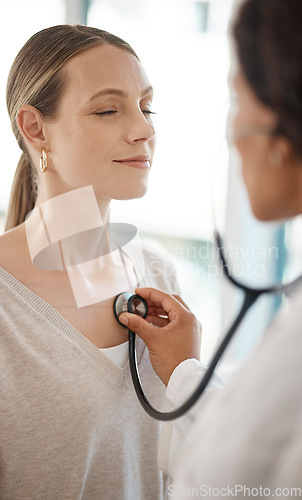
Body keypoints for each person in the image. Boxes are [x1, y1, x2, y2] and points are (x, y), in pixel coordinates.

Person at [0, 25, 181, 499]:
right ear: (35, 128)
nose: (144, 129)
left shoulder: (161, 276)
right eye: (108, 110)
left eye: (146, 107)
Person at [119, 0, 302, 496]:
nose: (145, 130)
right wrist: (184, 372)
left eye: (237, 99)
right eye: (106, 109)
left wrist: (185, 376)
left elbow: (242, 483)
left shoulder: (154, 266)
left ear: (283, 128)